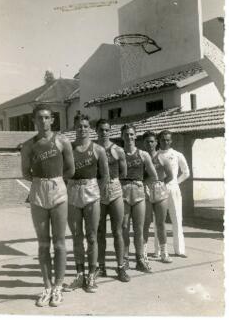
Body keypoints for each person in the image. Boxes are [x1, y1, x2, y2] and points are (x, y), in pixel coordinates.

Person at [21, 103, 75, 307]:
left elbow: (70, 169)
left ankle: (59, 287)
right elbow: (26, 172)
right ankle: (47, 287)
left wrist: (56, 181)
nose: (43, 121)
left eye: (46, 117)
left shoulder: (62, 141)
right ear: (34, 120)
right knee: (43, 243)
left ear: (52, 119)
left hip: (58, 188)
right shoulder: (28, 145)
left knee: (59, 243)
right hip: (38, 191)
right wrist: (41, 182)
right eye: (39, 118)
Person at [64, 114, 109, 293]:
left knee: (91, 236)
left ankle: (91, 275)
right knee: (76, 236)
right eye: (78, 126)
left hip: (92, 191)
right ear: (74, 128)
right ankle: (79, 275)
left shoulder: (98, 149)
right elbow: (63, 172)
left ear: (89, 128)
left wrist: (97, 190)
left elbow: (105, 175)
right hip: (73, 192)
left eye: (85, 126)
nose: (82, 129)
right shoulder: (68, 148)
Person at [95, 119, 130, 282]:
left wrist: (112, 181)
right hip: (97, 189)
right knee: (100, 231)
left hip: (114, 188)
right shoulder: (93, 149)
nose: (104, 133)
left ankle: (121, 267)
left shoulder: (118, 150)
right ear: (96, 131)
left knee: (118, 230)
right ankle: (100, 267)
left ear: (111, 131)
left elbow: (123, 172)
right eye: (101, 130)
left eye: (107, 130)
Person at [120, 124, 158, 272]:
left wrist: (141, 183)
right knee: (123, 227)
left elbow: (154, 175)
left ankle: (140, 259)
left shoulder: (143, 154)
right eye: (126, 134)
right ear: (122, 136)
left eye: (131, 134)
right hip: (122, 193)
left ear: (135, 136)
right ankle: (125, 258)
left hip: (138, 193)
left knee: (139, 228)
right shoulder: (119, 153)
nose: (129, 137)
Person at [157, 130, 190, 257]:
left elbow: (186, 172)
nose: (165, 142)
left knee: (177, 219)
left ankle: (180, 250)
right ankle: (158, 251)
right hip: (159, 190)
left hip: (174, 190)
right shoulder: (155, 155)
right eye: (163, 139)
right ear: (159, 140)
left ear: (171, 141)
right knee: (158, 221)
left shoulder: (177, 154)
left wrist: (176, 182)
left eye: (167, 139)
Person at [142, 131, 174, 263]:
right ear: (143, 143)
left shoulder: (162, 158)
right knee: (145, 223)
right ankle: (143, 254)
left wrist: (160, 184)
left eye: (152, 141)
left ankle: (164, 253)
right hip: (145, 191)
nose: (150, 144)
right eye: (147, 141)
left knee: (160, 223)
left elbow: (170, 176)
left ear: (156, 142)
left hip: (160, 191)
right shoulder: (141, 158)